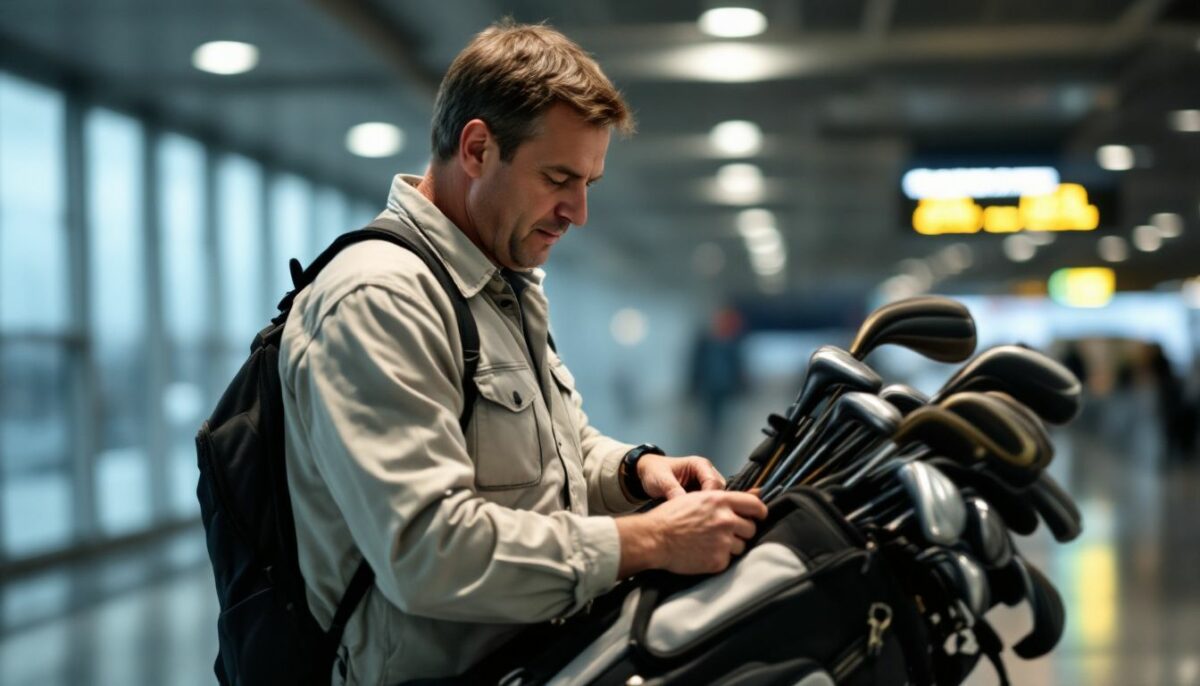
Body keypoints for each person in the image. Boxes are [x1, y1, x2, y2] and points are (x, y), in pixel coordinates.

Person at [278, 20, 768, 684]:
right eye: (559, 177)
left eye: (589, 182)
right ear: (477, 148)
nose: (578, 211)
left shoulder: (493, 285)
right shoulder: (379, 300)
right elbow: (427, 551)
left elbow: (545, 455)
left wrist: (631, 472)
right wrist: (650, 540)